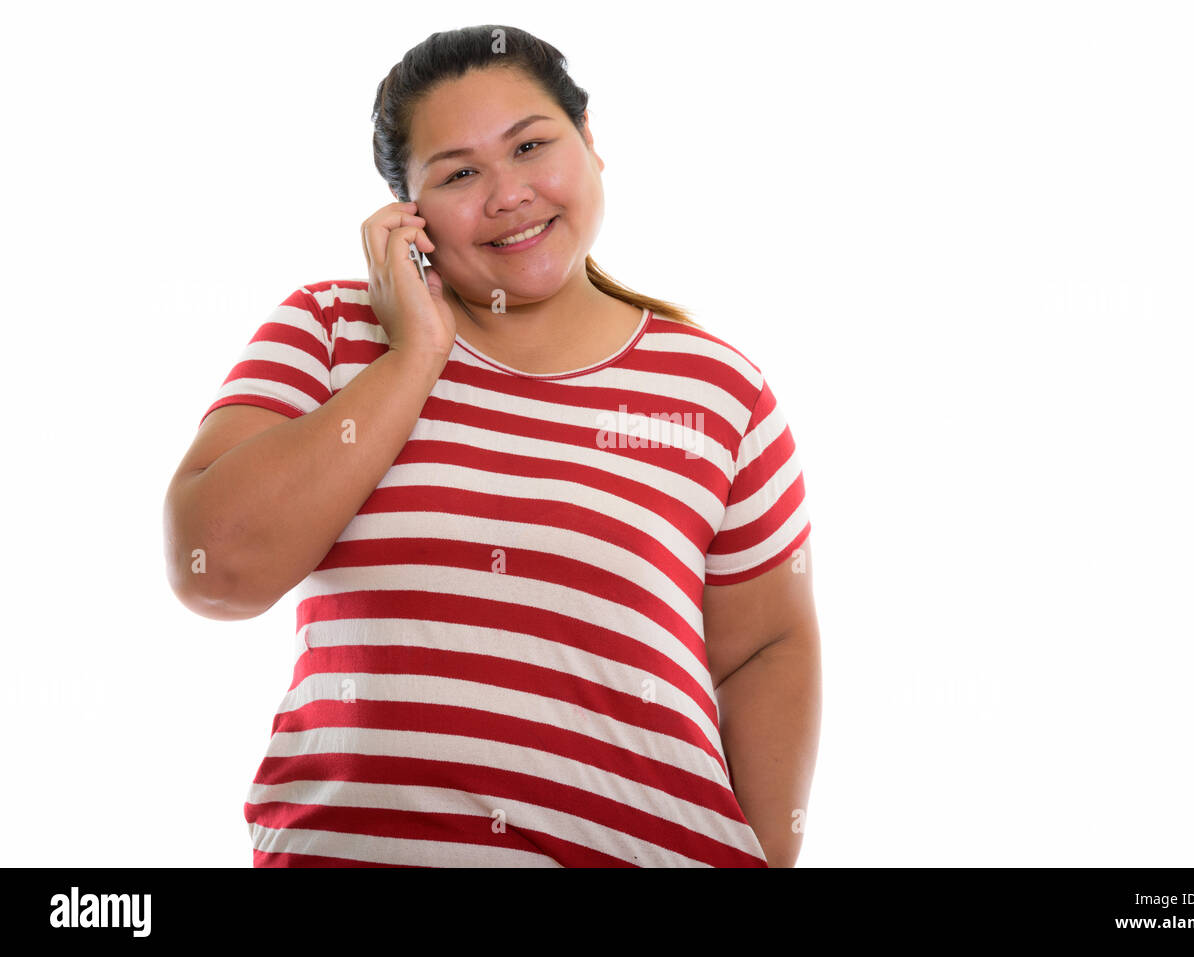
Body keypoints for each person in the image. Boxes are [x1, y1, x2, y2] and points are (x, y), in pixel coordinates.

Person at [163, 24, 820, 867]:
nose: (508, 193)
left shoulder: (720, 392)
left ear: (589, 143)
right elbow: (214, 569)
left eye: (532, 146)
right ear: (408, 215)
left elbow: (766, 648)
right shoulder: (330, 331)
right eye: (460, 173)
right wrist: (415, 357)